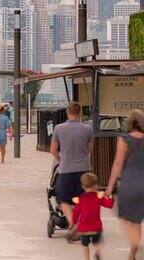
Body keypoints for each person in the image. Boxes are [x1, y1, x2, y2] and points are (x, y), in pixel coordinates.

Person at [50, 102, 94, 238]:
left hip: (65, 170)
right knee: (82, 199)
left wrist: (60, 160)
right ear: (80, 112)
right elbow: (90, 150)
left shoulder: (59, 128)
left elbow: (53, 150)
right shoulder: (88, 129)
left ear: (68, 112)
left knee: (62, 199)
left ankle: (72, 221)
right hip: (84, 171)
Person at [105, 110, 144, 260]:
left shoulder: (124, 139)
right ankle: (133, 252)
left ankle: (134, 242)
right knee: (137, 220)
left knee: (124, 217)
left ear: (130, 123)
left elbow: (118, 163)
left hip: (129, 184)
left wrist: (109, 187)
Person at [72, 173, 114, 260]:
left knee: (84, 245)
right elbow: (109, 205)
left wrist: (74, 222)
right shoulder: (98, 197)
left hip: (83, 228)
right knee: (97, 242)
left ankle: (87, 258)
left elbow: (76, 213)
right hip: (96, 227)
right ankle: (98, 252)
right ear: (96, 186)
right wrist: (110, 197)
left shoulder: (80, 199)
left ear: (83, 187)